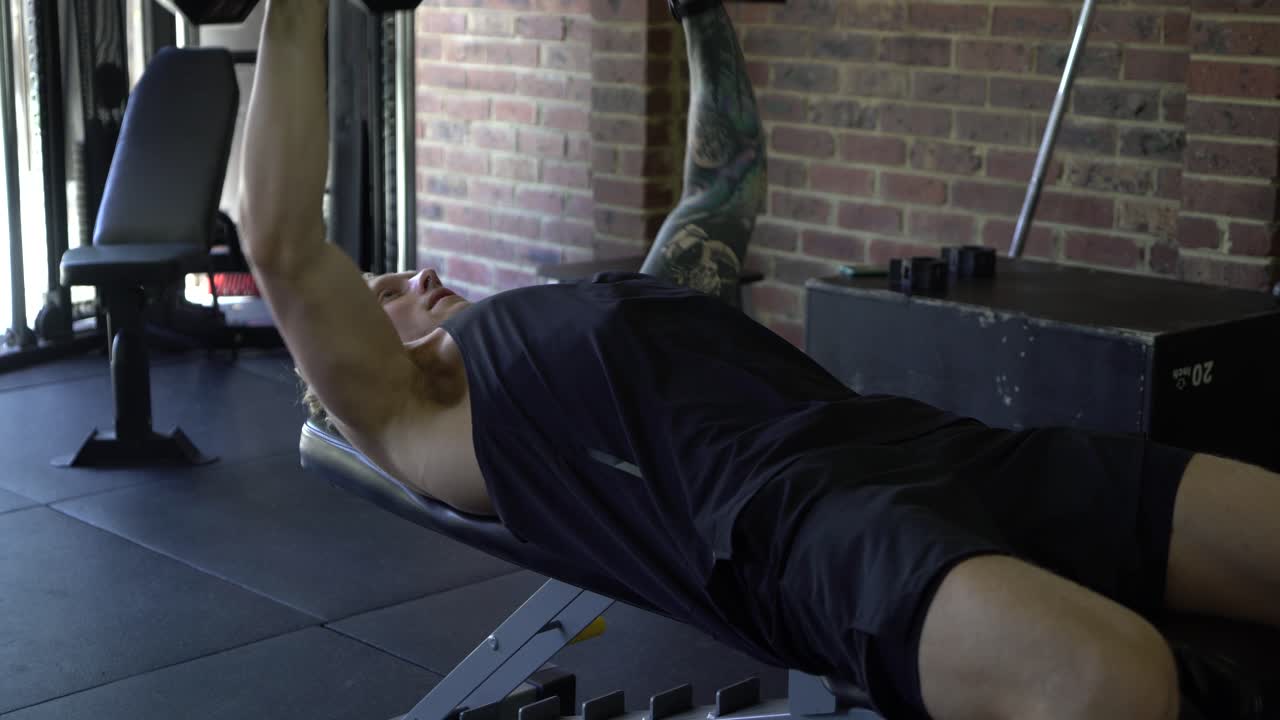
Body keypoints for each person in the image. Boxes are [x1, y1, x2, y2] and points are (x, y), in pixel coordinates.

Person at [238, 2, 1279, 719]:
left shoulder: (606, 304)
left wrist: (698, 11)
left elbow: (725, 179)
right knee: (1111, 679)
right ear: (345, 374)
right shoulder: (416, 410)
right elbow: (276, 235)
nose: (411, 275)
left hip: (916, 444)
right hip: (794, 529)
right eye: (380, 292)